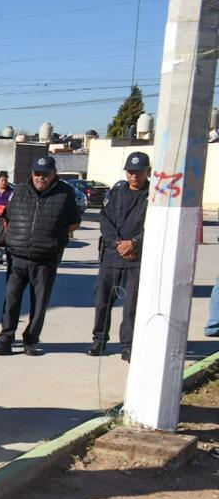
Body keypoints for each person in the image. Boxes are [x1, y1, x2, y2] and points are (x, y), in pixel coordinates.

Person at [0, 155, 81, 357]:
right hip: (17, 257)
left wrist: (57, 239)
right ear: (31, 173)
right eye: (37, 173)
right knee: (11, 300)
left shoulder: (65, 193)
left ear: (54, 174)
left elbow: (75, 222)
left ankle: (30, 340)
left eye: (46, 174)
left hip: (46, 259)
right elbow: (8, 217)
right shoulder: (19, 191)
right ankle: (5, 338)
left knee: (39, 303)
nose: (41, 178)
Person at [89, 152, 150, 360]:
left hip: (135, 257)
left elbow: (152, 225)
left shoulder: (153, 195)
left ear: (147, 172)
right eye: (131, 172)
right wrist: (118, 243)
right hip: (112, 254)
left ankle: (128, 345)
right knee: (102, 300)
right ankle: (99, 340)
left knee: (131, 304)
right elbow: (104, 220)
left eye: (139, 172)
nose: (134, 176)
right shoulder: (115, 192)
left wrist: (133, 243)